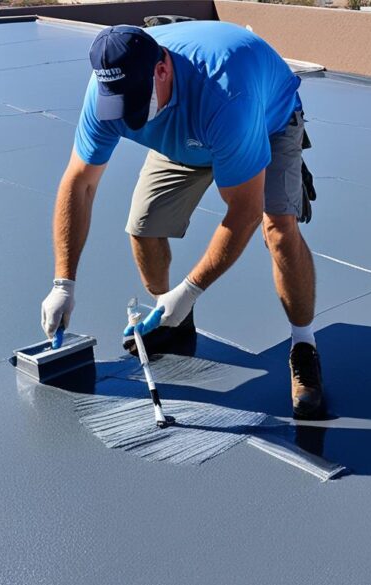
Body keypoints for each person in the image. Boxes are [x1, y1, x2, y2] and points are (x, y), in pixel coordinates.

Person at [40, 22, 324, 418]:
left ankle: (304, 345)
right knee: (143, 229)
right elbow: (80, 183)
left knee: (277, 228)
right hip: (184, 137)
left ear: (162, 70)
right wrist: (63, 282)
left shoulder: (227, 97)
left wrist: (190, 288)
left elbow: (242, 211)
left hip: (264, 122)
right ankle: (171, 318)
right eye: (120, 105)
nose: (130, 117)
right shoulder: (107, 92)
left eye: (136, 103)